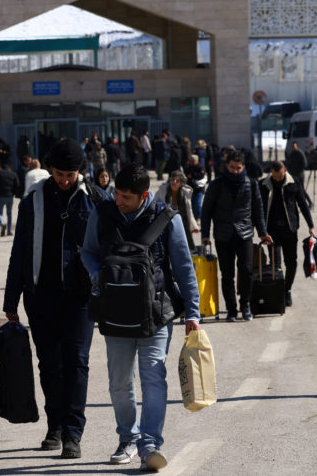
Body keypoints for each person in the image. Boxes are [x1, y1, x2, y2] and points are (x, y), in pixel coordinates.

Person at [81, 164, 201, 471]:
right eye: (117, 194)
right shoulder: (103, 213)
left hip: (156, 315)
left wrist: (194, 312)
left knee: (153, 379)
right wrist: (98, 276)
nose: (119, 201)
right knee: (119, 382)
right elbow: (88, 252)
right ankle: (127, 438)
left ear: (144, 195)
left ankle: (150, 444)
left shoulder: (166, 218)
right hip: (115, 314)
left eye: (127, 197)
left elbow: (185, 266)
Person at [3, 139, 100, 459]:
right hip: (40, 296)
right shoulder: (33, 201)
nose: (64, 180)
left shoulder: (93, 200)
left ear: (80, 172)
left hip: (80, 298)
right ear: (50, 170)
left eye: (70, 175)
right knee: (49, 364)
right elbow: (19, 251)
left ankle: (73, 432)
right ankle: (54, 425)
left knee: (77, 362)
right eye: (59, 174)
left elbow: (107, 247)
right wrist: (11, 298)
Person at [200, 151, 272, 322]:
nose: (235, 171)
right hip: (223, 235)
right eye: (232, 167)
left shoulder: (252, 184)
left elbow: (258, 211)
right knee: (227, 274)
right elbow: (206, 211)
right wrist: (205, 234)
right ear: (227, 166)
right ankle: (232, 309)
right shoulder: (216, 185)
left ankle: (245, 305)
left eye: (238, 168)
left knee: (247, 270)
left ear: (243, 167)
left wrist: (263, 233)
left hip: (245, 233)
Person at [258, 161, 314, 307]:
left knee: (291, 263)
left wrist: (311, 225)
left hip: (290, 229)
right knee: (275, 264)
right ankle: (277, 292)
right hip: (271, 230)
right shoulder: (263, 184)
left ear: (285, 171)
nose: (277, 179)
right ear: (271, 172)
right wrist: (260, 230)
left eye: (280, 175)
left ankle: (287, 290)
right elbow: (257, 208)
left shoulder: (293, 182)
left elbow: (302, 204)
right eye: (275, 176)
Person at [154, 170, 196, 252]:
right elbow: (154, 205)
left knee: (183, 247)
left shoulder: (185, 193)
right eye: (172, 179)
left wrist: (194, 225)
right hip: (165, 223)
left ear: (181, 183)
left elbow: (189, 211)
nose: (174, 182)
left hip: (181, 223)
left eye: (177, 180)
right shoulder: (162, 191)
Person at [0, 157, 20, 237]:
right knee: (9, 213)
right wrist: (13, 193)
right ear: (9, 167)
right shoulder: (13, 174)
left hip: (0, 196)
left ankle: (2, 223)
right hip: (9, 196)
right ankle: (9, 231)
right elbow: (17, 185)